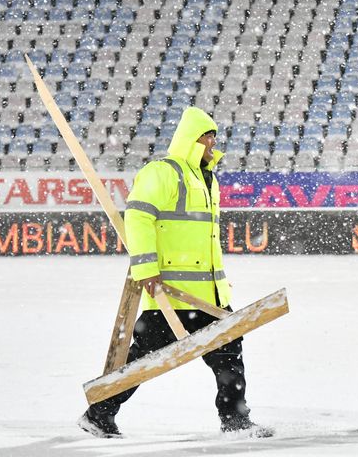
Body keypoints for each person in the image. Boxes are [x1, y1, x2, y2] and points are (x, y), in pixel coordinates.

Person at [78, 106, 273, 439]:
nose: (214, 144)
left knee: (229, 353)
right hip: (171, 294)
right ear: (192, 140)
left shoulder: (207, 178)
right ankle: (99, 413)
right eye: (208, 138)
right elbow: (138, 217)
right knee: (141, 362)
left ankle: (235, 420)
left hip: (208, 296)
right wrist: (147, 269)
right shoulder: (163, 172)